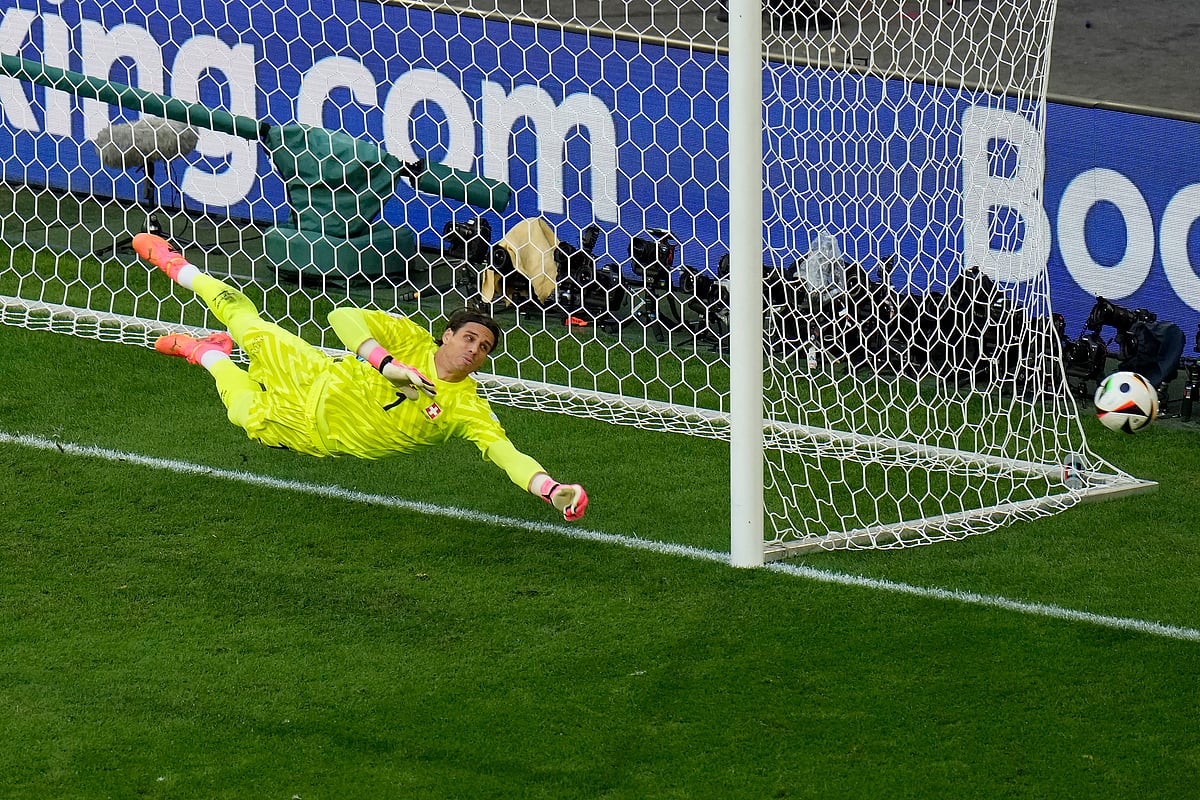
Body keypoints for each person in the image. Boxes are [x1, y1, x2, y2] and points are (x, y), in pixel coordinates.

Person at [131, 233, 588, 522]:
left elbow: (506, 454)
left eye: (484, 348)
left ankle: (206, 354)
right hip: (315, 372)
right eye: (469, 338)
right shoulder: (410, 341)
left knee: (243, 411)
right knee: (247, 322)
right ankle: (178, 266)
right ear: (447, 335)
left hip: (312, 431)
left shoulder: (466, 408)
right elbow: (342, 315)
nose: (474, 350)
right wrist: (385, 363)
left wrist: (551, 490)